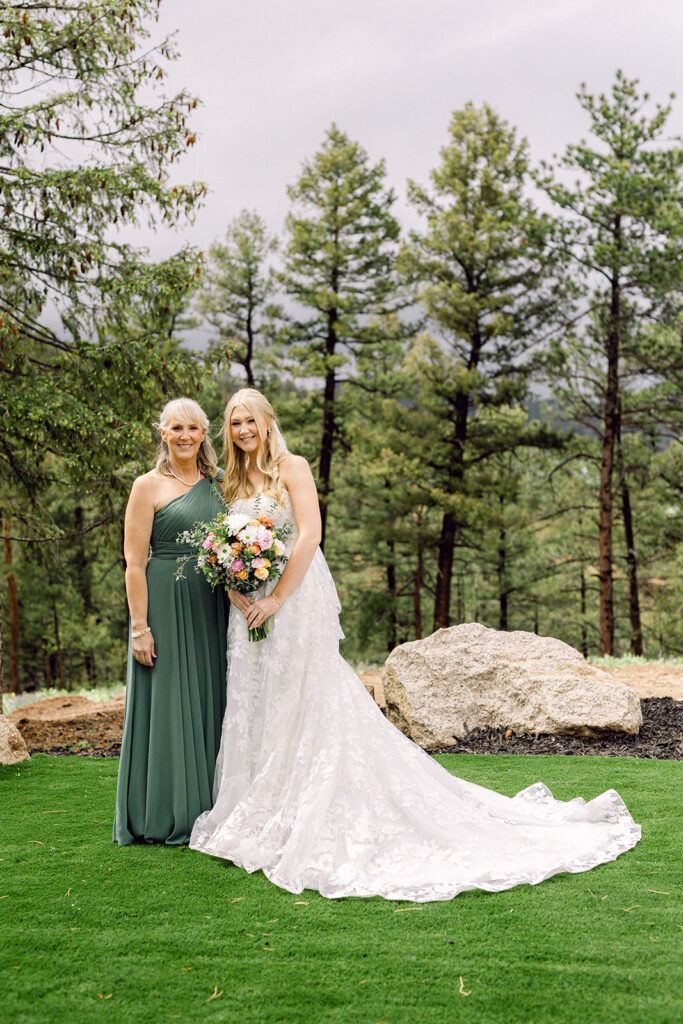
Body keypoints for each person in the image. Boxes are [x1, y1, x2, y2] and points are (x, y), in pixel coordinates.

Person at [190, 388, 640, 900]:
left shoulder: (292, 467)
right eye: (235, 423)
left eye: (250, 420)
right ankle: (263, 805)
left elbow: (310, 536)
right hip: (247, 605)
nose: (243, 430)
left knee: (303, 693)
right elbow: (223, 546)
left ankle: (309, 805)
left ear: (268, 421)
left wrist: (275, 602)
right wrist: (238, 588)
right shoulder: (231, 479)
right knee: (260, 699)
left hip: (291, 601)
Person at [114, 398, 229, 845]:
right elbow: (133, 561)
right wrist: (139, 627)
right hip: (163, 600)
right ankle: (162, 812)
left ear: (204, 434)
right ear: (163, 433)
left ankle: (212, 805)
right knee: (168, 698)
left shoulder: (220, 483)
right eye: (176, 428)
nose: (185, 436)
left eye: (193, 428)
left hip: (213, 603)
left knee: (210, 694)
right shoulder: (147, 485)